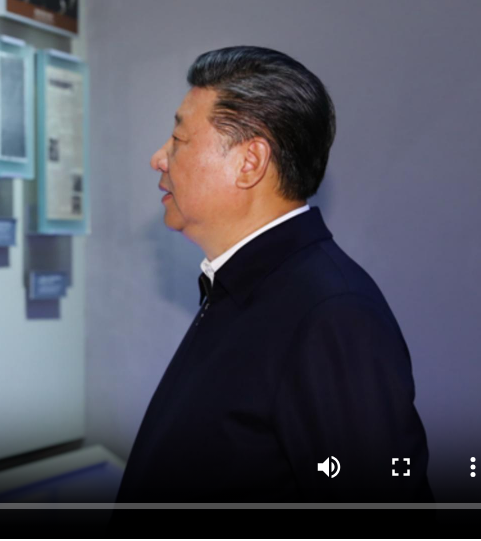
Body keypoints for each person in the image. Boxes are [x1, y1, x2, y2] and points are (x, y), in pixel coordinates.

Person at [115, 46, 433, 509]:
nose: (158, 158)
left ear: (250, 162)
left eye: (179, 139)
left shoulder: (332, 315)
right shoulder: (245, 286)